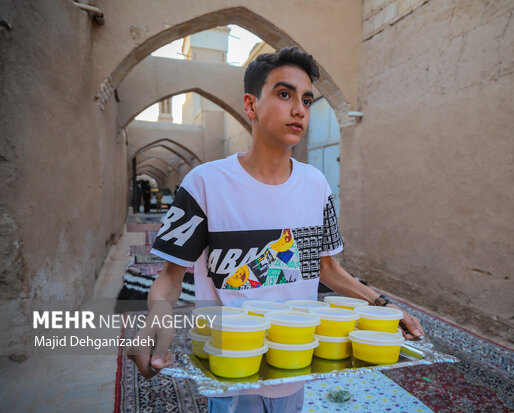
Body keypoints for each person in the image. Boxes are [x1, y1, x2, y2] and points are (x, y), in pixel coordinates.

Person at [128, 47, 424, 412]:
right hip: (231, 363)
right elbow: (171, 276)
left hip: (291, 362)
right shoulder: (205, 183)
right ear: (250, 106)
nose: (299, 108)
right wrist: (153, 321)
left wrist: (384, 306)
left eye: (307, 99)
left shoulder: (316, 186)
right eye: (284, 94)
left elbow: (328, 269)